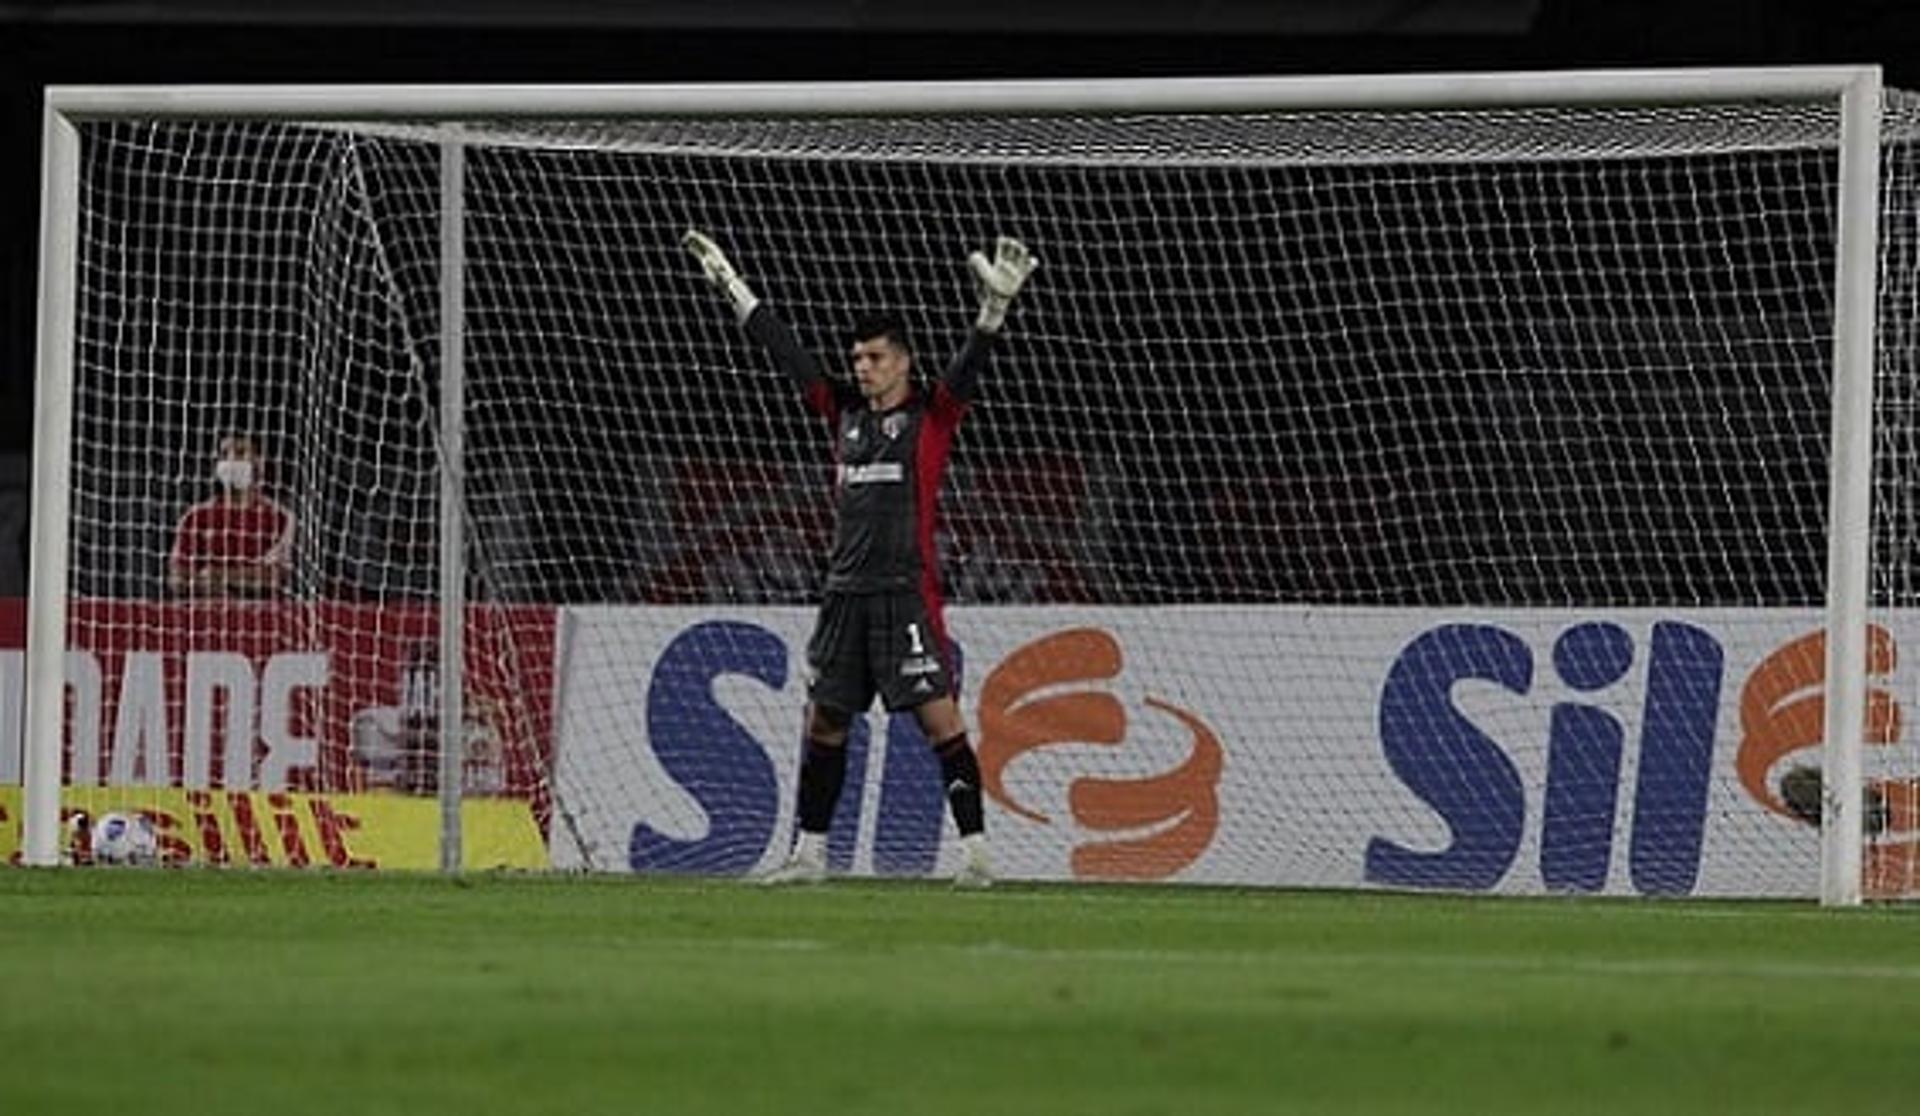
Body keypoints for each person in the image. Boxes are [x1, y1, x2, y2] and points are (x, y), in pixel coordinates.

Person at [685, 227, 1036, 888]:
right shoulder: (841, 413)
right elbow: (787, 354)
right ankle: (810, 855)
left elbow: (966, 371)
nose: (862, 368)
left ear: (903, 361)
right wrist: (734, 290)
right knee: (825, 722)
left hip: (904, 594)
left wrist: (991, 316)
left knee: (940, 719)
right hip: (844, 594)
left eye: (874, 358)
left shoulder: (932, 414)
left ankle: (978, 855)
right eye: (857, 358)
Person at [168, 434, 294, 599]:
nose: (231, 460)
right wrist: (206, 586)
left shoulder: (281, 517)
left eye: (240, 453)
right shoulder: (195, 516)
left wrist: (217, 574)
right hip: (205, 614)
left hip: (262, 617)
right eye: (224, 454)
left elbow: (274, 578)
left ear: (259, 463)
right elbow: (177, 578)